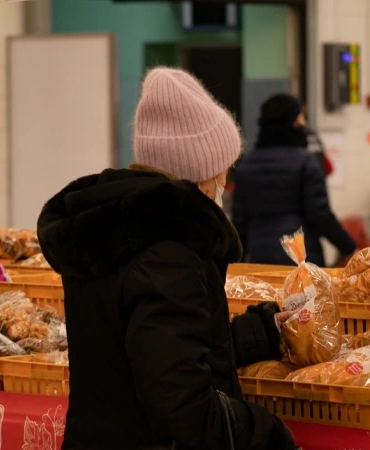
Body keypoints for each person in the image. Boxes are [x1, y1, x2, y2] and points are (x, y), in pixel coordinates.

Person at [38, 68, 297, 450]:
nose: (225, 181)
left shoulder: (113, 229)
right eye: (222, 169)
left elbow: (152, 352)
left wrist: (261, 332)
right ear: (201, 173)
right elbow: (181, 402)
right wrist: (266, 433)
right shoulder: (168, 252)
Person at [232, 93, 356, 267]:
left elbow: (239, 222)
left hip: (260, 257)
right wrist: (347, 246)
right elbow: (320, 214)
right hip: (301, 255)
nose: (304, 123)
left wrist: (237, 262)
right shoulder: (305, 162)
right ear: (293, 121)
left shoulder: (246, 165)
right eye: (301, 116)